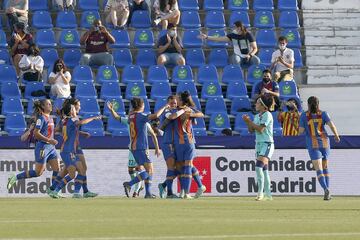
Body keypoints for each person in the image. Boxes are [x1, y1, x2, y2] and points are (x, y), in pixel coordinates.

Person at [48, 100, 101, 198]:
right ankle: (59, 190)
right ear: (71, 111)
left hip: (68, 150)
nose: (77, 109)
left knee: (79, 170)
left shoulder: (64, 120)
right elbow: (81, 122)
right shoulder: (73, 119)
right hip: (69, 150)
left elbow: (59, 130)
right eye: (74, 107)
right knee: (75, 173)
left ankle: (59, 190)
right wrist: (93, 118)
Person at [7, 99, 60, 192]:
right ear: (43, 107)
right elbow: (36, 133)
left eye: (51, 104)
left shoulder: (50, 117)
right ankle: (15, 177)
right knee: (38, 172)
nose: (51, 105)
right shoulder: (41, 118)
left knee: (57, 169)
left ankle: (53, 191)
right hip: (43, 147)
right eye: (48, 104)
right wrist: (49, 140)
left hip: (51, 148)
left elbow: (49, 131)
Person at [123, 98, 167, 199]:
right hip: (141, 147)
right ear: (140, 106)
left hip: (134, 148)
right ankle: (129, 184)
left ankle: (148, 193)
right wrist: (164, 107)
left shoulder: (130, 116)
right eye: (143, 104)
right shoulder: (140, 116)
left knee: (148, 169)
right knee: (149, 170)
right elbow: (155, 116)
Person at [298, 96, 340, 201]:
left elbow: (301, 131)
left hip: (313, 143)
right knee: (325, 167)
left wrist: (297, 125)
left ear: (307, 105)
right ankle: (328, 191)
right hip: (325, 142)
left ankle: (326, 189)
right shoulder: (324, 113)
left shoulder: (304, 115)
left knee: (319, 169)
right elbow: (332, 126)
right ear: (318, 104)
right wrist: (336, 135)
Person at [170, 92, 206, 199]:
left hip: (187, 141)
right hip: (178, 142)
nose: (175, 100)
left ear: (181, 100)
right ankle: (198, 186)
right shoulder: (178, 110)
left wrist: (191, 115)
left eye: (177, 98)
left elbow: (201, 114)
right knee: (182, 166)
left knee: (187, 166)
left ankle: (186, 192)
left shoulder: (187, 109)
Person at [242, 95, 275, 201]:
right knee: (264, 170)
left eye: (258, 103)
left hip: (267, 143)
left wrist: (250, 122)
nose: (255, 104)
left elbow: (260, 129)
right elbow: (252, 130)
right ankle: (268, 195)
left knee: (258, 167)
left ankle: (260, 193)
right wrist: (247, 122)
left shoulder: (267, 115)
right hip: (259, 144)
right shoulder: (257, 116)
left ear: (263, 106)